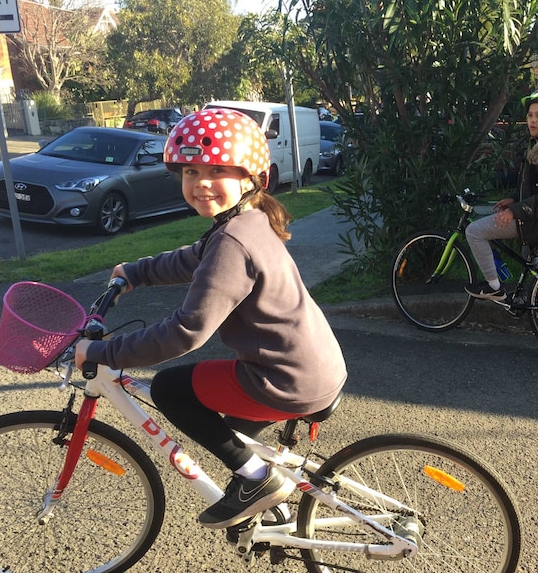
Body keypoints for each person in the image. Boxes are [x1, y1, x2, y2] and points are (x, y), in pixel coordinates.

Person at [75, 108, 347, 530]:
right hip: (314, 366)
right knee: (230, 431)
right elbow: (193, 260)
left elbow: (187, 331)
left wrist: (104, 351)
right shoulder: (248, 222)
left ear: (250, 178)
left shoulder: (233, 241)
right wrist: (137, 271)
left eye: (217, 169)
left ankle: (257, 481)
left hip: (285, 379)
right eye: (190, 171)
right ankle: (265, 504)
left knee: (171, 389)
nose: (200, 182)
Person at [464, 90, 538, 301]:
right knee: (531, 260)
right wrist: (514, 199)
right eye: (530, 115)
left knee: (474, 231)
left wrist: (513, 211)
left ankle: (493, 287)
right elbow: (535, 187)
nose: (533, 120)